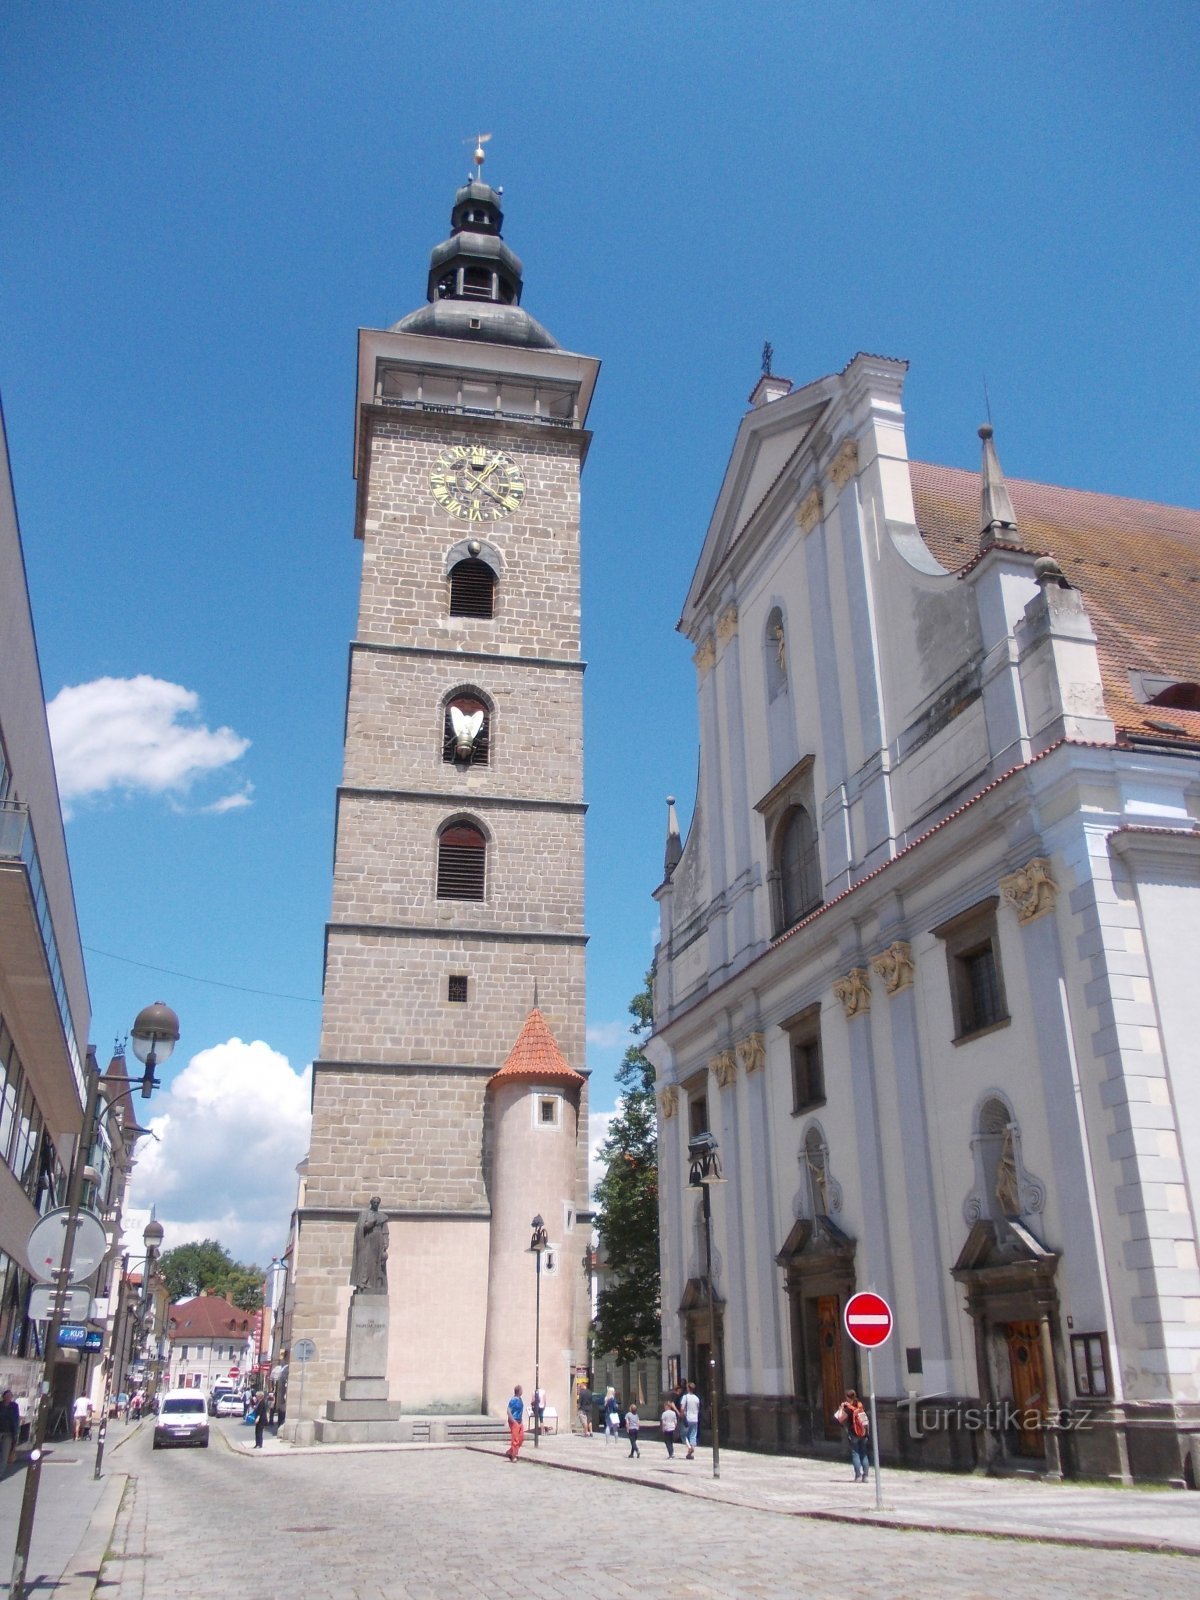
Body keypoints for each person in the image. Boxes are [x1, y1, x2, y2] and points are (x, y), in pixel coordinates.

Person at [351, 1195, 389, 1292]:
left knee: (377, 1263)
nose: (376, 1204)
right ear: (371, 1203)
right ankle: (363, 1283)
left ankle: (375, 1285)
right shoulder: (365, 1214)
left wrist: (385, 1242)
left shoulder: (382, 1216)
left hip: (379, 1241)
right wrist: (369, 1224)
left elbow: (385, 1231)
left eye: (377, 1203)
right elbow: (360, 1228)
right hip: (367, 1240)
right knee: (366, 1261)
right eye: (374, 1202)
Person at [834, 1388, 870, 1482]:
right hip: (863, 1433)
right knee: (864, 1454)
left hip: (854, 1434)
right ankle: (865, 1476)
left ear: (848, 1397)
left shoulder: (848, 1409)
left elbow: (840, 1419)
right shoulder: (860, 1406)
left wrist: (841, 1409)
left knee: (855, 1454)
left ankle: (858, 1476)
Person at [0, 1389, 20, 1477]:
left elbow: (16, 1419)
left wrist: (16, 1433)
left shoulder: (14, 1406)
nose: (8, 1398)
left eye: (10, 1396)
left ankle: (0, 1473)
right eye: (7, 1396)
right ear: (3, 1397)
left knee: (4, 1454)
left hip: (8, 1433)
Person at [680, 1380, 701, 1460]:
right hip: (695, 1418)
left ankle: (689, 1447)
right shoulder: (696, 1398)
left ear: (688, 1388)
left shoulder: (685, 1397)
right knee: (693, 1435)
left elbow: (682, 1408)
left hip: (687, 1418)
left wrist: (681, 1416)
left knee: (683, 1434)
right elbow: (698, 1408)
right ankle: (692, 1449)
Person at [506, 1384, 524, 1462]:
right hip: (514, 1421)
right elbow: (508, 1411)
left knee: (521, 1439)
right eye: (521, 1390)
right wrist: (513, 1421)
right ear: (519, 1391)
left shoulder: (520, 1399)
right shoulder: (513, 1400)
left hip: (520, 1421)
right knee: (515, 1439)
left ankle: (510, 1452)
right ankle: (513, 1456)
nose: (522, 1391)